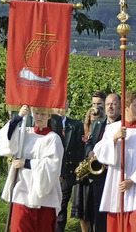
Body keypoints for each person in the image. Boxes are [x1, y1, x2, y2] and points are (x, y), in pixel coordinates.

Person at [93, 91, 136, 231]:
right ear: (126, 107)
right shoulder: (112, 129)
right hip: (116, 183)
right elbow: (100, 153)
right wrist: (114, 139)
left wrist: (132, 180)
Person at [0, 105, 64, 232]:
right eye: (36, 113)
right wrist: (18, 117)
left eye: (43, 114)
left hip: (44, 197)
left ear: (49, 116)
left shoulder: (53, 139)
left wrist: (26, 163)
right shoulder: (25, 133)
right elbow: (7, 140)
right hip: (22, 191)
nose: (39, 117)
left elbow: (52, 165)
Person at [85, 93, 122, 232]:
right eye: (107, 104)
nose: (110, 107)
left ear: (120, 107)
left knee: (113, 209)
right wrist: (89, 152)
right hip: (99, 174)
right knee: (98, 208)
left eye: (113, 104)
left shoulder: (123, 125)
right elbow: (90, 142)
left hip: (115, 172)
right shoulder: (98, 123)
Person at [51, 102, 85, 232]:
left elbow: (79, 150)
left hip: (67, 173)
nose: (60, 108)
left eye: (63, 105)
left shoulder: (76, 125)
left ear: (67, 106)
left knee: (61, 206)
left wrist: (71, 174)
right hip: (51, 172)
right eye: (57, 105)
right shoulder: (49, 123)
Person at [71, 106, 105, 232]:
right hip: (83, 175)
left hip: (98, 175)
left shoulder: (103, 133)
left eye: (97, 120)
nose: (95, 123)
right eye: (92, 121)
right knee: (83, 212)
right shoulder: (82, 132)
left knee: (96, 211)